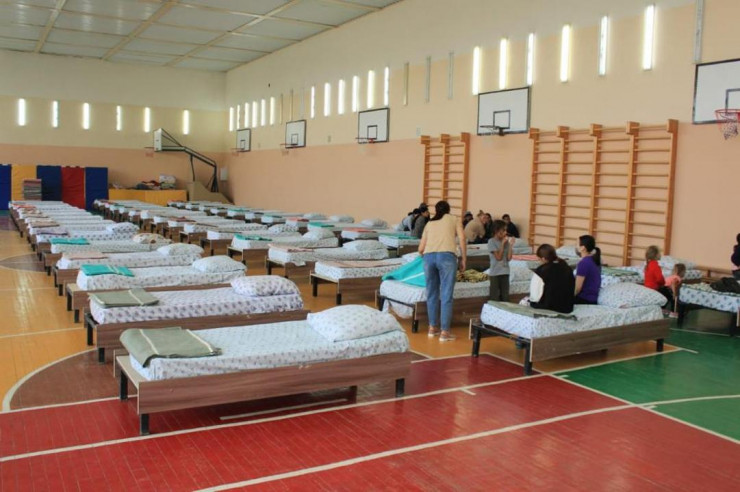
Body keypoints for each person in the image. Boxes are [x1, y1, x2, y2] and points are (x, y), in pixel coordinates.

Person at [418, 200, 466, 342]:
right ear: (448, 210)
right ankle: (445, 332)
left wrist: (426, 255)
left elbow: (421, 248)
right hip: (447, 257)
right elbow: (462, 239)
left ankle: (432, 328)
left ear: (436, 211)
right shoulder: (454, 219)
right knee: (446, 294)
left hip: (428, 257)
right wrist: (463, 259)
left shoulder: (430, 223)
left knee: (432, 293)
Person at [528, 244, 575, 313]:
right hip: (567, 308)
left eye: (539, 259)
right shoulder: (567, 268)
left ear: (543, 259)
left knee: (525, 301)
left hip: (547, 307)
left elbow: (535, 297)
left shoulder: (541, 271)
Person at [488, 220, 515, 301]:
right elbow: (498, 258)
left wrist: (510, 245)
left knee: (505, 297)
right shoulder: (491, 241)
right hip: (495, 273)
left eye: (506, 230)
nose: (505, 232)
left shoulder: (506, 242)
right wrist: (502, 244)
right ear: (496, 231)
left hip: (505, 271)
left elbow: (509, 258)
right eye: (503, 230)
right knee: (494, 297)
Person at [574, 235, 601, 304]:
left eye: (576, 244)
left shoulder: (584, 263)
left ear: (583, 248)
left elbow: (577, 289)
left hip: (584, 299)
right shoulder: (594, 260)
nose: (575, 246)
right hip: (593, 298)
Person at [644, 245, 672, 311]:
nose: (660, 254)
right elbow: (659, 279)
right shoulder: (655, 265)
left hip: (647, 288)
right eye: (659, 253)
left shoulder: (648, 264)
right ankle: (664, 309)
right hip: (655, 288)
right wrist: (663, 283)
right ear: (655, 255)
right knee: (669, 295)